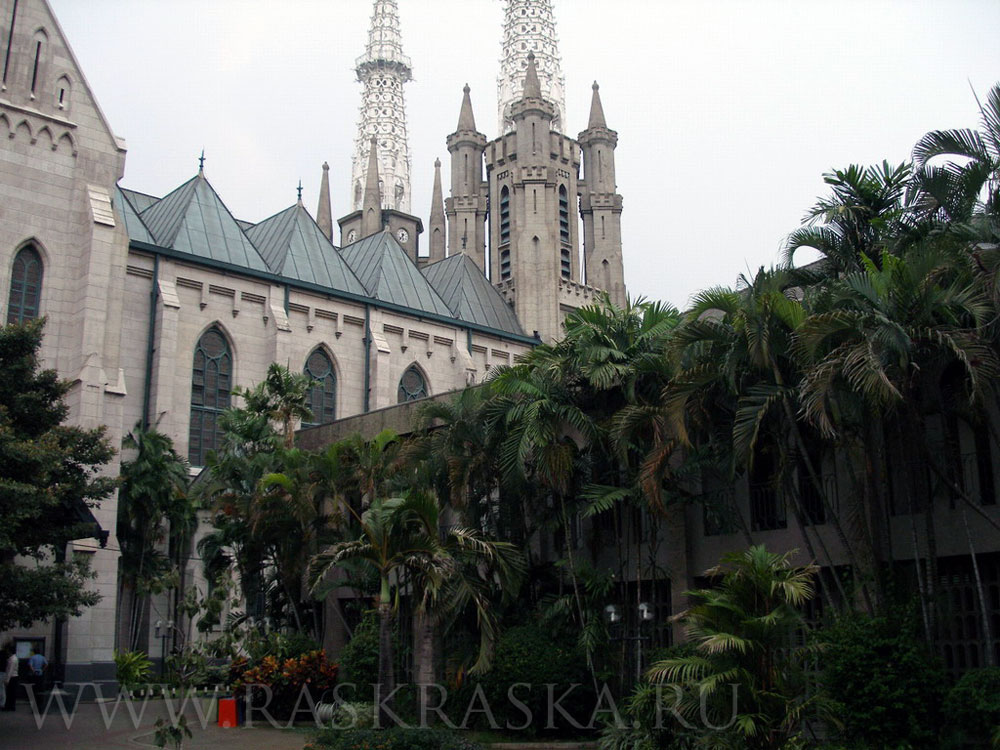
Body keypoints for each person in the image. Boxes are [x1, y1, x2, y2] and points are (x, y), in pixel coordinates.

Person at [3, 645, 18, 711]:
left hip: (12, 677)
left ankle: (9, 706)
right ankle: (11, 706)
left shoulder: (12, 659)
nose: (7, 652)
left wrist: (7, 680)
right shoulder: (14, 658)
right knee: (12, 692)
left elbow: (10, 670)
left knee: (10, 692)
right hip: (14, 676)